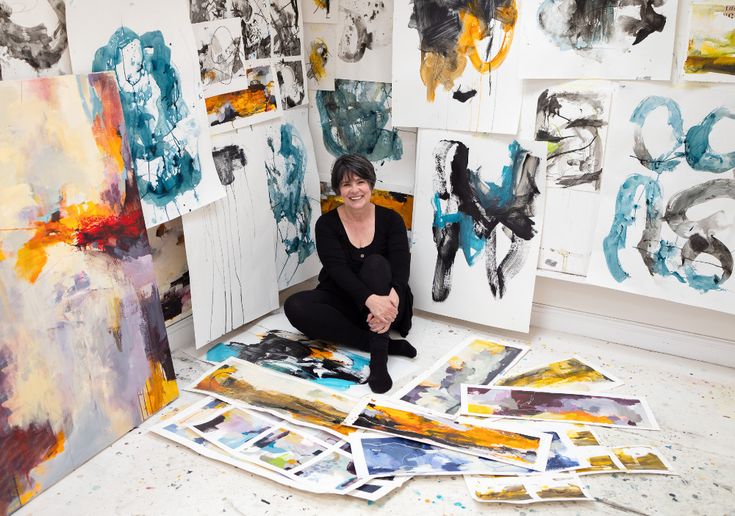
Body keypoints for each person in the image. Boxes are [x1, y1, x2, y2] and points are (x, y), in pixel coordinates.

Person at [284, 154, 416, 393]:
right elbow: (338, 271)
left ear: (371, 184)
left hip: (389, 299)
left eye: (360, 182)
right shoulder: (326, 225)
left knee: (376, 264)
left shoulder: (391, 220)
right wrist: (370, 301)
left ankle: (379, 361)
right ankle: (388, 346)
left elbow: (400, 267)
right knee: (295, 305)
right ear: (338, 190)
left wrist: (386, 304)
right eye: (346, 184)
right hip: (347, 299)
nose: (354, 190)